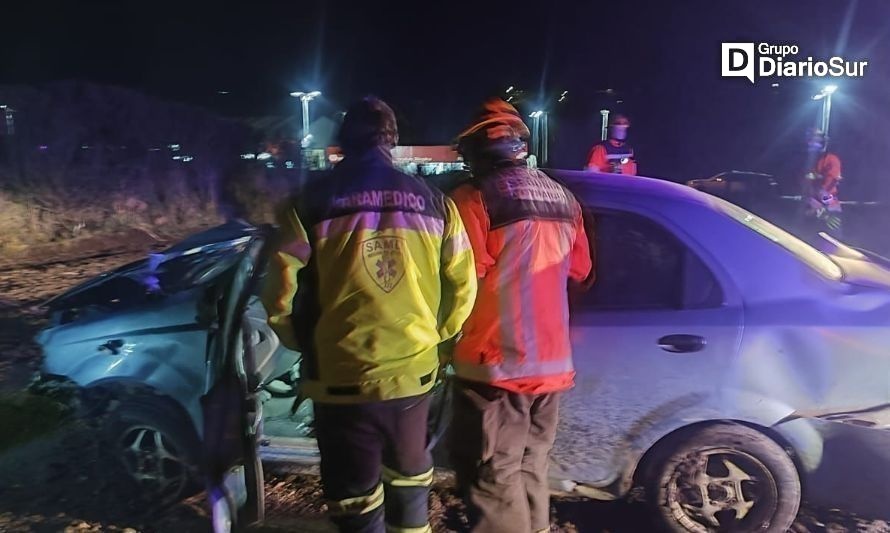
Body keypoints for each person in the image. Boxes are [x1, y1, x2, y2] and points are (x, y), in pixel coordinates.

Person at [262, 96, 478, 533]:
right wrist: (437, 336)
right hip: (413, 375)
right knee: (411, 483)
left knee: (355, 499)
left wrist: (300, 340)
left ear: (344, 142)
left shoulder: (310, 202)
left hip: (343, 377)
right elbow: (464, 286)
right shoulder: (436, 203)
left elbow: (279, 293)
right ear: (392, 143)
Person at [448, 98, 593, 533]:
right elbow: (581, 270)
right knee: (531, 469)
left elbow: (460, 281)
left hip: (496, 368)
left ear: (475, 151)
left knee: (493, 477)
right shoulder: (563, 198)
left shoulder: (472, 199)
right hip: (551, 369)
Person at [802, 128, 843, 238]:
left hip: (829, 207)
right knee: (808, 239)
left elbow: (829, 184)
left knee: (833, 240)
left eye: (816, 140)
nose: (813, 144)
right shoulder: (810, 161)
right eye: (810, 141)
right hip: (812, 207)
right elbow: (805, 185)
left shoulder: (831, 159)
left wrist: (823, 208)